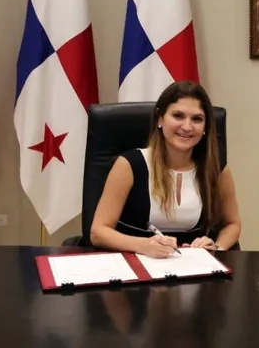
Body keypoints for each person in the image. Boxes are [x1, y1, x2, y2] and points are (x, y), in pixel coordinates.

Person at [90, 81, 242, 259]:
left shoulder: (216, 169)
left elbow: (232, 224)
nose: (187, 126)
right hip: (135, 263)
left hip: (193, 267)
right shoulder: (129, 165)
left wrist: (216, 247)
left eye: (197, 119)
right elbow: (98, 232)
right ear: (160, 119)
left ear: (205, 128)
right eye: (178, 116)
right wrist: (143, 245)